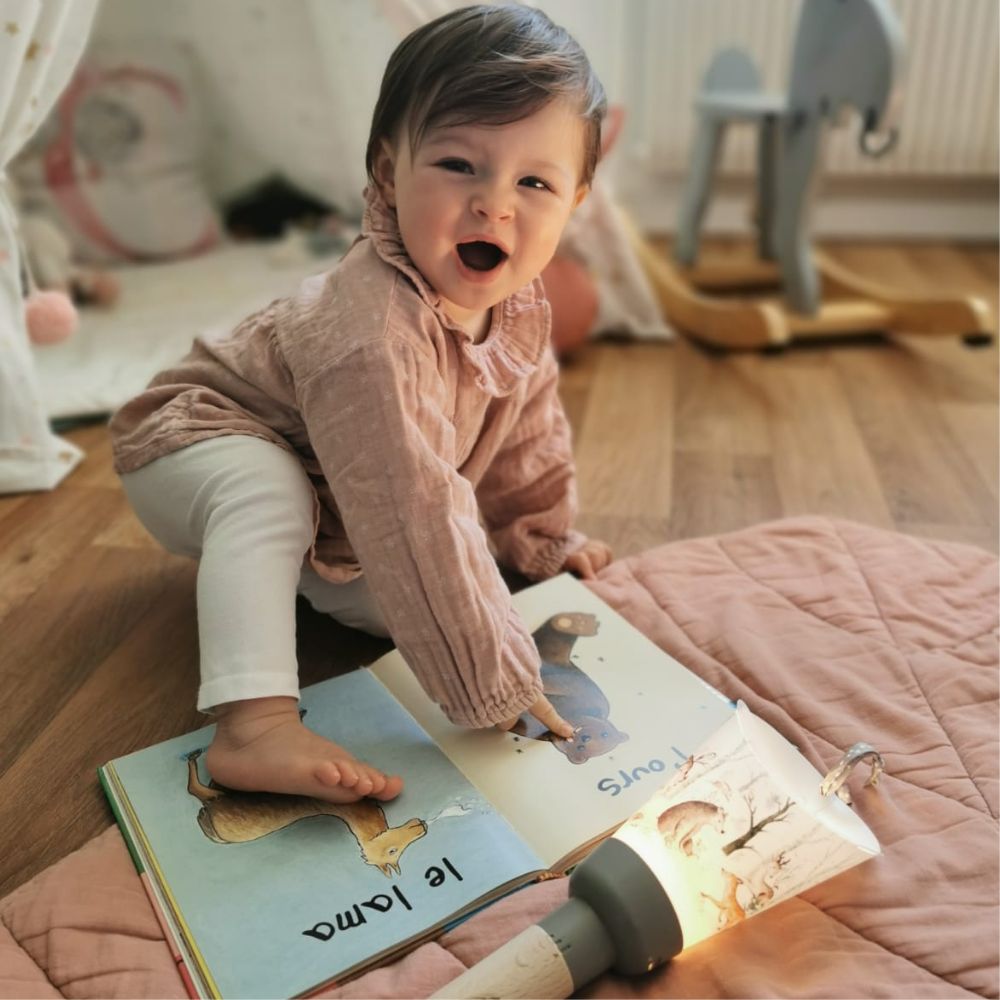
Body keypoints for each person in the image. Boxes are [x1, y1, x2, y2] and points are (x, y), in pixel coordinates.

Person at [109, 3, 613, 806]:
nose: (495, 205)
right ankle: (253, 726)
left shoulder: (519, 306)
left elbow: (527, 440)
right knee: (273, 495)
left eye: (534, 182)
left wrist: (534, 540)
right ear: (387, 173)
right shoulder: (372, 327)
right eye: (458, 165)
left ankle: (277, 578)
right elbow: (410, 501)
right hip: (197, 435)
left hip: (341, 493)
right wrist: (493, 682)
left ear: (576, 199)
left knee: (430, 594)